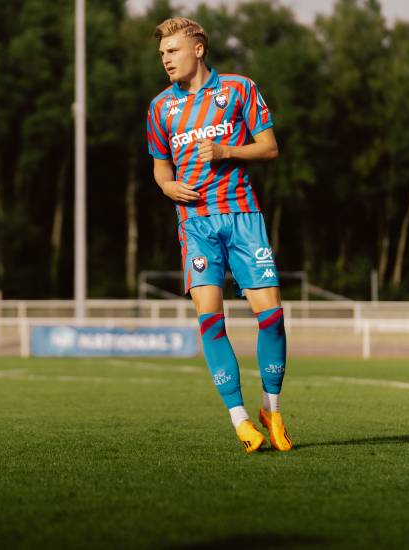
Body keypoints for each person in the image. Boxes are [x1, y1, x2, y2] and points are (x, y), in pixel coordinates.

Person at [146, 17, 292, 453]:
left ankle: (273, 408)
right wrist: (168, 186)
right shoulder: (160, 108)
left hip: (243, 216)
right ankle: (241, 420)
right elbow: (160, 167)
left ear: (198, 50)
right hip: (196, 224)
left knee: (272, 317)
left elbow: (269, 147)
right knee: (211, 319)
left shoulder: (239, 89)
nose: (166, 60)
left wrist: (229, 150)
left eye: (172, 51)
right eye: (162, 55)